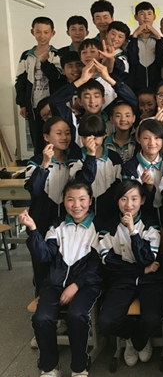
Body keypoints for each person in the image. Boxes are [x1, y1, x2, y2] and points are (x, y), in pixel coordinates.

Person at [19, 179, 102, 377]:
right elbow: (44, 255)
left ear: (90, 201)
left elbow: (98, 266)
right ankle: (49, 366)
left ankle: (80, 366)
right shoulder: (57, 225)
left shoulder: (99, 226)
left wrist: (76, 284)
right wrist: (33, 229)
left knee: (76, 316)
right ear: (64, 201)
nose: (76, 205)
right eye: (70, 199)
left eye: (82, 199)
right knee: (41, 318)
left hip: (86, 284)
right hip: (54, 284)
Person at [96, 180, 163, 367]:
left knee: (153, 319)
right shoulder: (109, 225)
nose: (129, 204)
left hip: (151, 279)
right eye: (124, 199)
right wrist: (140, 270)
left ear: (142, 200)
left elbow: (148, 258)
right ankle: (134, 337)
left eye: (134, 199)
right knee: (106, 321)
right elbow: (108, 261)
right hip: (122, 279)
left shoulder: (150, 222)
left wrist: (133, 231)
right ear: (117, 200)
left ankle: (138, 340)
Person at [24, 117, 78, 295]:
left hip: (67, 222)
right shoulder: (35, 161)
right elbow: (34, 189)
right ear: (46, 137)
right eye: (59, 133)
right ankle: (42, 302)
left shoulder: (74, 160)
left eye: (67, 133)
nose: (64, 137)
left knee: (65, 266)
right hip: (41, 221)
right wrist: (45, 164)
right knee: (42, 266)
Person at [16, 16, 61, 154]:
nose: (42, 36)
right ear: (32, 32)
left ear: (52, 33)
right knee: (37, 139)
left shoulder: (56, 54)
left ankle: (54, 164)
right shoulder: (26, 56)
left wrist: (45, 63)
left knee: (53, 137)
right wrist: (22, 104)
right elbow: (20, 81)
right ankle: (38, 164)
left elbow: (56, 78)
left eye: (46, 32)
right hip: (33, 106)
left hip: (51, 105)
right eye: (38, 32)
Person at [69, 114, 122, 220]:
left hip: (110, 213)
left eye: (95, 137)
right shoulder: (75, 156)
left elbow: (119, 187)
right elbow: (83, 181)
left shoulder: (114, 158)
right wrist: (91, 155)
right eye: (85, 137)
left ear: (105, 134)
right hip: (83, 213)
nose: (91, 141)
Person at [128, 1, 163, 91]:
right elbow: (132, 60)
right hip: (135, 88)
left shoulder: (161, 40)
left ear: (154, 17)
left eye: (149, 14)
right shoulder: (130, 41)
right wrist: (135, 36)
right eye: (142, 14)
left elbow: (162, 60)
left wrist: (158, 37)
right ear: (136, 17)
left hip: (156, 86)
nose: (146, 17)